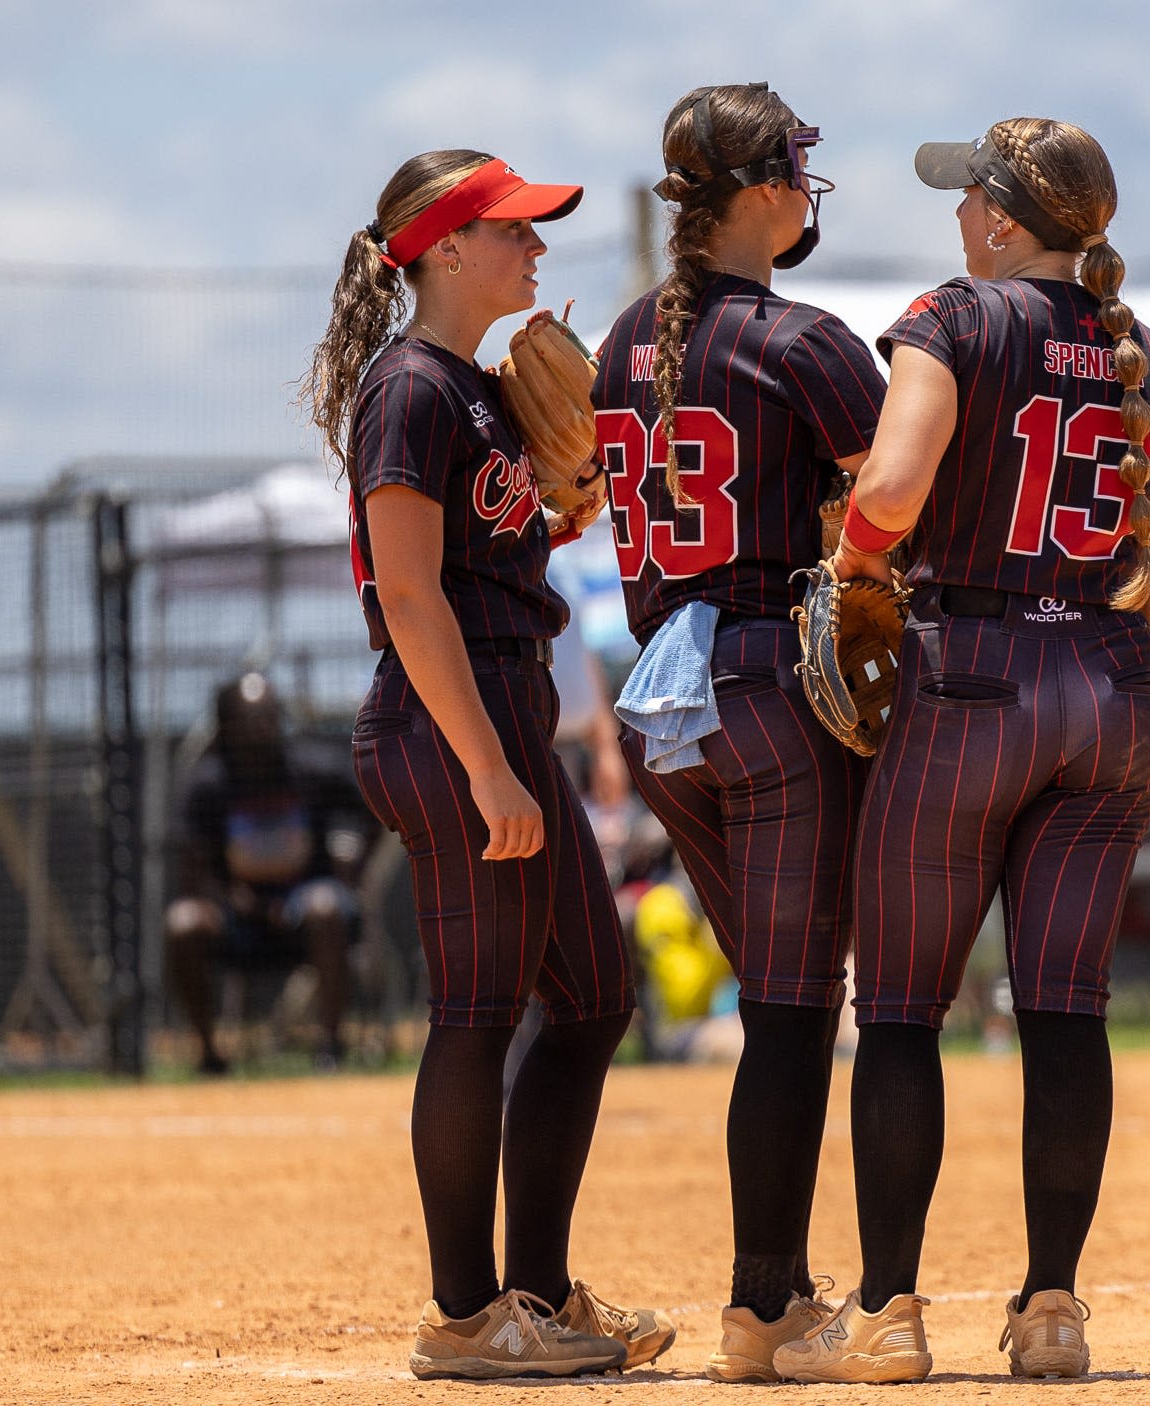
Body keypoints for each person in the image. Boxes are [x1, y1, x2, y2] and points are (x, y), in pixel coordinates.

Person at [771, 115, 1150, 1384]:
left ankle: (891, 1311)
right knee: (1065, 1007)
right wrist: (1133, 713)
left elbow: (895, 494)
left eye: (973, 198)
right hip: (1115, 689)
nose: (961, 215)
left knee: (902, 1008)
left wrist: (851, 563)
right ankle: (1055, 1306)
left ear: (1010, 220)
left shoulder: (957, 317)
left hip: (968, 677)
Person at [300, 148, 668, 1380]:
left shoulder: (473, 390)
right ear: (445, 247)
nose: (537, 249)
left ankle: (543, 1293)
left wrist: (563, 496)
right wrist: (487, 769)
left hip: (505, 712)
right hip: (448, 721)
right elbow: (406, 593)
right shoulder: (408, 388)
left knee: (595, 995)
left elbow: (498, 547)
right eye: (514, 230)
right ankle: (465, 1314)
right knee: (476, 1008)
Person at [587, 83, 883, 1383]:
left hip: (665, 707)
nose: (806, 199)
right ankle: (765, 1301)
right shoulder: (801, 339)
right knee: (786, 1008)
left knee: (776, 995)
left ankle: (776, 1289)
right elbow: (901, 505)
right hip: (769, 687)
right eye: (798, 177)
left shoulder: (616, 343)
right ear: (763, 191)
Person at [164, 673, 373, 1073]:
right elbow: (192, 868)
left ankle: (330, 1049)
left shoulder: (312, 768)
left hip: (305, 909)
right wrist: (235, 900)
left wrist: (354, 864)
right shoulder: (207, 785)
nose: (264, 727)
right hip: (236, 916)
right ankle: (209, 1055)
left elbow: (373, 807)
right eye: (252, 718)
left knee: (325, 907)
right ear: (228, 726)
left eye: (270, 716)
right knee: (182, 922)